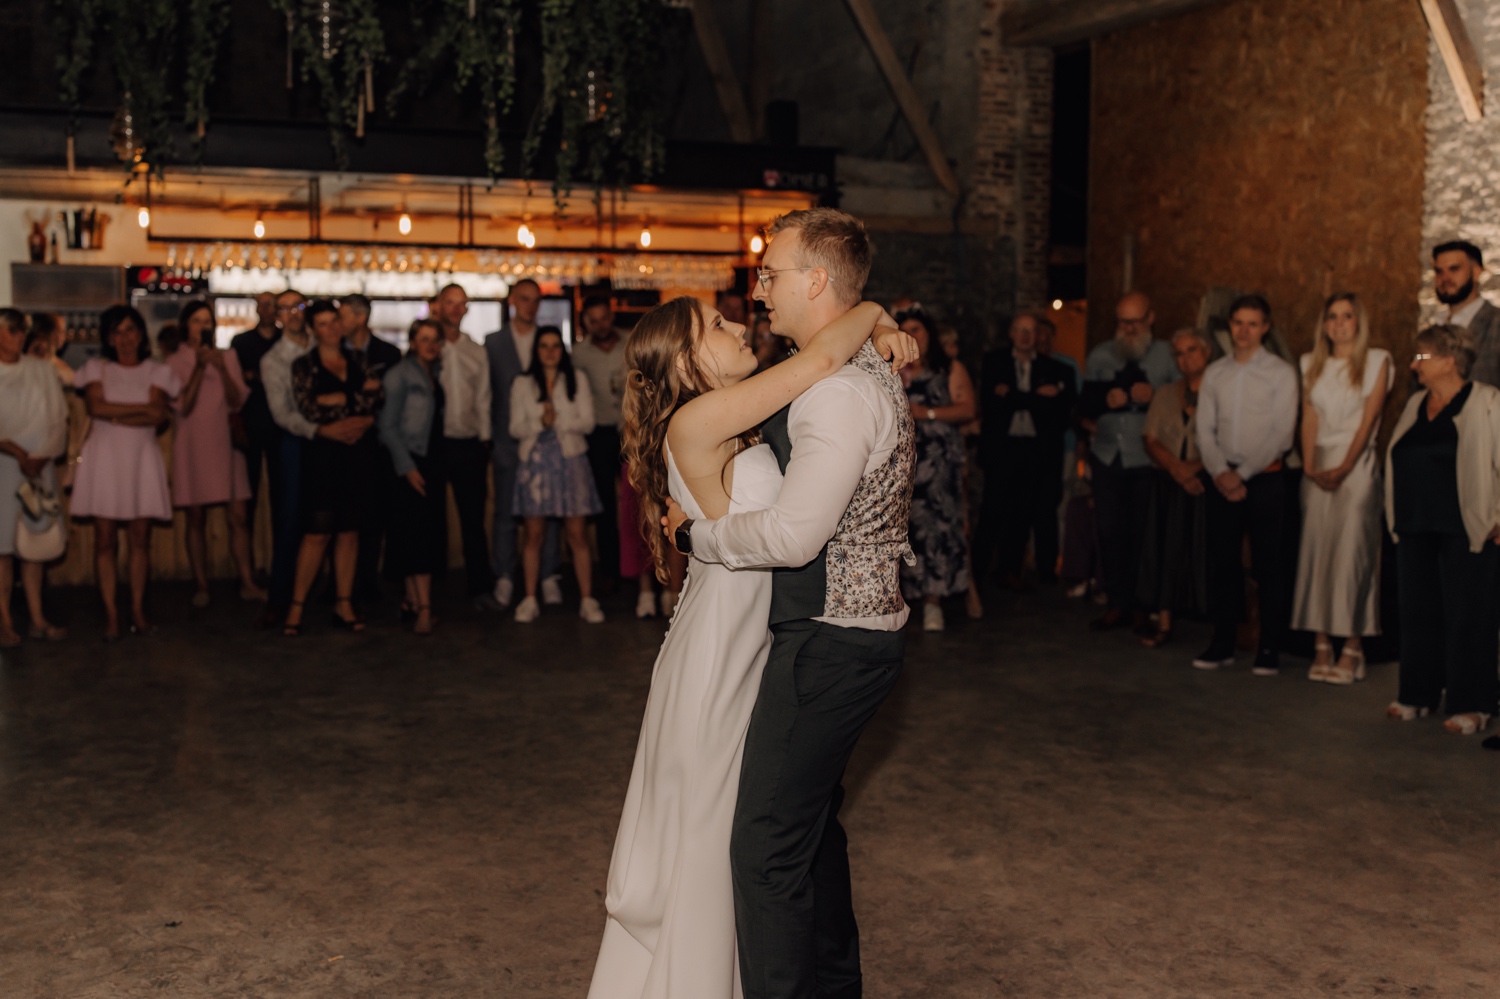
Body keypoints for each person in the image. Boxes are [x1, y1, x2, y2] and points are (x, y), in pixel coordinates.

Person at [589, 271, 916, 997]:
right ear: (684, 362)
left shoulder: (734, 404)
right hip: (719, 651)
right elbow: (826, 357)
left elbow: (826, 352)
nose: (739, 325)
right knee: (718, 831)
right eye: (714, 325)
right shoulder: (695, 422)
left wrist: (881, 320)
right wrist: (872, 308)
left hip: (756, 638)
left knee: (758, 824)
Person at [1385, 324, 1500, 735]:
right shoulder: (1415, 402)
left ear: (1450, 360)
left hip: (1466, 529)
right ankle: (1419, 694)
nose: (1415, 365)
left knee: (1469, 618)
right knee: (1417, 613)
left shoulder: (1486, 401)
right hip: (1415, 525)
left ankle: (1474, 704)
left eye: (1422, 356)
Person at [1193, 295, 1299, 675]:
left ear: (1266, 327)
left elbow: (1282, 434)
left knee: (1268, 565)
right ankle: (1221, 643)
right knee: (1223, 563)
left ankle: (1268, 646)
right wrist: (1222, 471)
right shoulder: (1215, 373)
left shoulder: (1281, 373)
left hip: (1265, 478)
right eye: (1238, 322)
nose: (1244, 331)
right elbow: (1204, 430)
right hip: (1222, 478)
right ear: (1229, 326)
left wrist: (1244, 474)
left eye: (1252, 324)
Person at [1291, 294, 1392, 683]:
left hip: (1358, 465)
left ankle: (1352, 647)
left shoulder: (1377, 361)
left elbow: (1370, 420)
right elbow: (1309, 418)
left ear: (1358, 321)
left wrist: (1347, 466)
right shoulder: (1308, 363)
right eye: (1332, 317)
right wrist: (1312, 467)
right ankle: (1321, 644)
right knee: (1317, 553)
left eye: (1347, 316)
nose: (1339, 324)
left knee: (1353, 555)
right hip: (1317, 467)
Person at [71, 305, 182, 640]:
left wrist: (116, 414)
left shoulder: (157, 370)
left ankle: (137, 608)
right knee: (104, 540)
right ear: (108, 337)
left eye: (130, 330)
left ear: (140, 334)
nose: (124, 339)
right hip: (105, 457)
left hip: (141, 458)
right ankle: (111, 613)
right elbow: (96, 407)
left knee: (140, 540)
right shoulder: (95, 368)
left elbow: (158, 416)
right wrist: (138, 410)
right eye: (117, 332)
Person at [282, 300, 382, 636]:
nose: (331, 328)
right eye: (322, 323)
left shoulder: (358, 359)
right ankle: (295, 608)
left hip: (357, 452)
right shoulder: (304, 364)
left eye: (334, 321)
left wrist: (341, 401)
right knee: (317, 533)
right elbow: (308, 407)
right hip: (323, 455)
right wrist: (354, 399)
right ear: (312, 329)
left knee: (350, 531)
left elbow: (376, 400)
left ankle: (344, 602)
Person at [1080, 292, 1180, 629]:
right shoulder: (1101, 354)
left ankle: (1143, 604)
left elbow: (1187, 398)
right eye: (1123, 322)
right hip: (1108, 454)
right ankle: (1116, 602)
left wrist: (1156, 397)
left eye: (1135, 322)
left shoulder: (1168, 355)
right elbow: (1084, 404)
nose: (1129, 328)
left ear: (1150, 318)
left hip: (1147, 458)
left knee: (1143, 533)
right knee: (1109, 531)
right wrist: (1105, 398)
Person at [164, 300, 265, 608]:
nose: (203, 326)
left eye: (207, 321)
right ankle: (201, 584)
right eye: (197, 321)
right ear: (186, 327)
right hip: (193, 442)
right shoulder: (173, 362)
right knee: (196, 517)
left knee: (238, 516)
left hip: (226, 441)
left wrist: (220, 368)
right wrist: (198, 366)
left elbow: (237, 401)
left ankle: (247, 582)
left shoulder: (229, 356)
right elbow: (183, 405)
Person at [976, 312, 1078, 591]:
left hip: (1038, 451)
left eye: (1030, 331)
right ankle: (979, 572)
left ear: (1038, 336)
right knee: (993, 510)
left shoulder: (1055, 369)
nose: (1025, 335)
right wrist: (1035, 397)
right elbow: (990, 405)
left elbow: (1060, 414)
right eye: (1020, 329)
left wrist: (1011, 395)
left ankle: (1019, 571)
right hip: (1002, 450)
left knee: (1029, 512)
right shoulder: (995, 362)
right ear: (1011, 333)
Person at [508, 327, 604, 623]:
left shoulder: (577, 380)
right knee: (534, 534)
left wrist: (558, 418)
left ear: (562, 351)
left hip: (570, 460)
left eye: (555, 346)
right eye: (544, 346)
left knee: (576, 534)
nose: (550, 351)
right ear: (536, 351)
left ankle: (588, 599)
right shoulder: (522, 384)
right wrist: (540, 422)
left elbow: (588, 422)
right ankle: (529, 598)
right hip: (535, 463)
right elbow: (515, 428)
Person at [897, 307, 977, 631]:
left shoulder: (948, 368)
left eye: (918, 328)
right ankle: (903, 600)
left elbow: (968, 408)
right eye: (906, 329)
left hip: (939, 461)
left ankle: (934, 601)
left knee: (939, 529)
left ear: (929, 333)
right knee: (907, 530)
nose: (913, 335)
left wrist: (925, 413)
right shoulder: (890, 369)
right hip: (903, 462)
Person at [484, 279, 560, 607]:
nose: (530, 306)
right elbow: (486, 397)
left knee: (549, 512)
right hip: (506, 441)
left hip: (547, 442)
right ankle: (503, 575)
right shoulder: (492, 343)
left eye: (535, 300)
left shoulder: (549, 340)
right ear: (513, 300)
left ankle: (549, 575)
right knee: (505, 513)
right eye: (524, 299)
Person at [1136, 329, 1213, 648]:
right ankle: (1164, 621)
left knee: (1205, 549)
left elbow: (1227, 440)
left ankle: (1213, 625)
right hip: (1169, 482)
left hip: (1205, 481)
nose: (1185, 358)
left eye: (1191, 350)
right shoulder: (1166, 393)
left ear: (1206, 352)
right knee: (1163, 548)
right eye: (1178, 353)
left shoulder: (1220, 392)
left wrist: (1193, 469)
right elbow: (1150, 438)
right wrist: (1177, 469)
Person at [0, 310, 69, 645]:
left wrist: (42, 455)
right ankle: (4, 622)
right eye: (10, 330)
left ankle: (38, 619)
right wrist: (16, 452)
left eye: (20, 330)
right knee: (2, 549)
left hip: (38, 464)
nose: (17, 336)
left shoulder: (41, 370)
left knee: (35, 545)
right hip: (3, 465)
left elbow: (59, 417)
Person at [379, 319, 447, 636]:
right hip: (410, 463)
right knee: (419, 540)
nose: (430, 345)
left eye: (435, 340)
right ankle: (425, 610)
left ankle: (410, 601)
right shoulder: (399, 375)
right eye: (424, 339)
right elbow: (387, 426)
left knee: (416, 536)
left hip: (429, 461)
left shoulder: (432, 374)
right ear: (412, 342)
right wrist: (408, 468)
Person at [429, 283, 494, 602]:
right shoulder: (427, 347)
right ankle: (433, 590)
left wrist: (484, 441)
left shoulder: (475, 350)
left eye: (461, 304)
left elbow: (483, 398)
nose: (455, 308)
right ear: (438, 306)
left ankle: (480, 587)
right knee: (432, 518)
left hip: (469, 443)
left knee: (473, 520)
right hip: (432, 443)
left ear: (466, 310)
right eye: (449, 302)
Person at [259, 290, 318, 625]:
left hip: (326, 442)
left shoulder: (323, 347)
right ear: (277, 315)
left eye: (298, 306)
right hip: (295, 442)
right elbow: (281, 414)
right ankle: (280, 599)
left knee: (329, 520)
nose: (293, 313)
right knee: (290, 521)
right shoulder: (273, 360)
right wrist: (318, 430)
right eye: (286, 308)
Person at [340, 293, 402, 601]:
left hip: (378, 444)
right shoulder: (333, 352)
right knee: (341, 515)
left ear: (360, 318)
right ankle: (339, 584)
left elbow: (392, 399)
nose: (339, 323)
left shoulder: (388, 354)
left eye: (343, 316)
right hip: (340, 444)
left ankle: (367, 580)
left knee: (374, 515)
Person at [571, 294, 628, 587]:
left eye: (604, 318)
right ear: (586, 323)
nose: (600, 324)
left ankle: (639, 570)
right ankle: (610, 569)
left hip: (631, 432)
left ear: (611, 315)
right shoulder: (578, 354)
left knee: (635, 502)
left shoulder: (631, 342)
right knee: (604, 505)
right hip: (597, 435)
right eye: (593, 321)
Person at [229, 291, 280, 531]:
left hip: (282, 426)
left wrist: (256, 377)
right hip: (249, 426)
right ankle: (248, 562)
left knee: (282, 496)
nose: (268, 309)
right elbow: (235, 382)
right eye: (264, 305)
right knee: (247, 494)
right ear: (256, 309)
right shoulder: (241, 342)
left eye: (272, 305)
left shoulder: (287, 341)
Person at [1430, 240, 1500, 386]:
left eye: (1454, 269)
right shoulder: (1435, 326)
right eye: (1439, 271)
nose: (1445, 278)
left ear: (1476, 272)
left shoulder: (1495, 322)